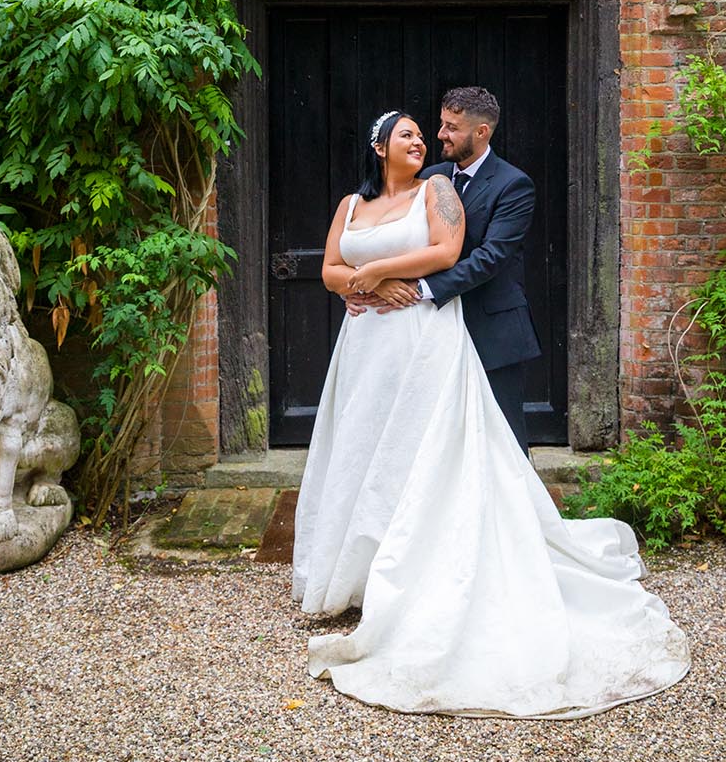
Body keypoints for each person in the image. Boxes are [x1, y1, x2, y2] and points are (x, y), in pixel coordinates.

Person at [291, 105, 690, 717]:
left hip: (424, 336)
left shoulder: (440, 190)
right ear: (378, 147)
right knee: (363, 448)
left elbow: (451, 252)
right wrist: (357, 285)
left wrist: (373, 272)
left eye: (431, 133)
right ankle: (359, 572)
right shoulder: (350, 205)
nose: (426, 139)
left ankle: (421, 574)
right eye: (412, 134)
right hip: (367, 345)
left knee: (429, 453)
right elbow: (327, 269)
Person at [343, 87, 540, 452]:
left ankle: (512, 510)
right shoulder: (431, 177)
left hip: (489, 326)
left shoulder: (513, 185)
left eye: (451, 127)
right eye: (441, 124)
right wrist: (361, 285)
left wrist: (417, 288)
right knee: (437, 439)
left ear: (480, 132)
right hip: (428, 331)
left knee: (503, 439)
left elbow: (491, 258)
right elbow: (390, 236)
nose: (439, 135)